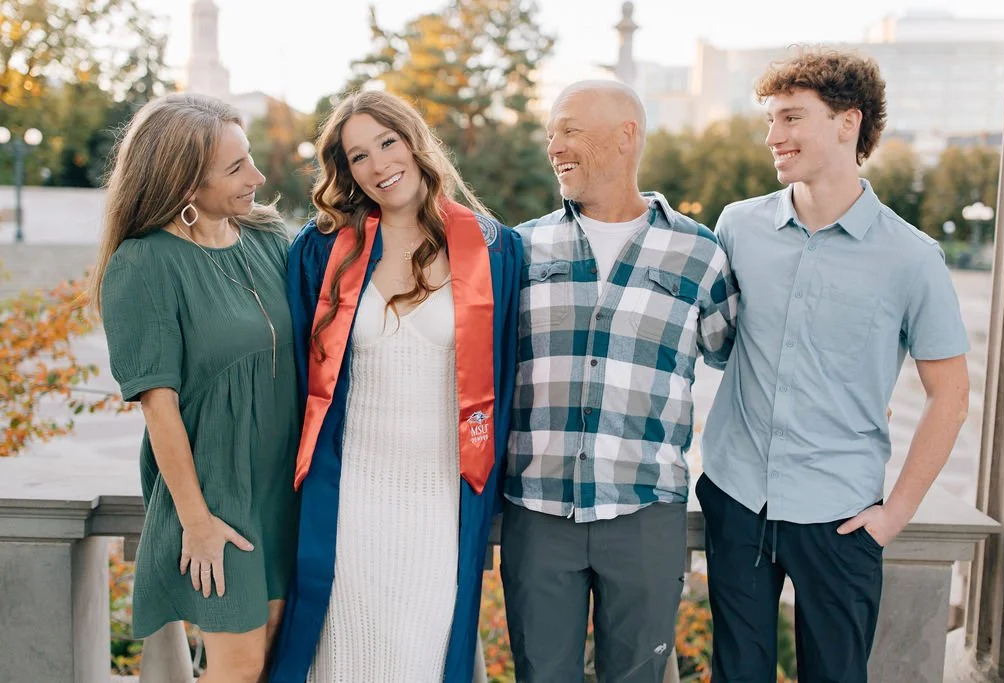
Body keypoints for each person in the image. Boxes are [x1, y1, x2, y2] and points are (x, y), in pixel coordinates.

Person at [699, 47, 971, 682]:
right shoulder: (738, 228)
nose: (774, 136)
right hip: (738, 499)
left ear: (848, 123)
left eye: (791, 118)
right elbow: (716, 344)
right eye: (770, 119)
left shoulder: (912, 257)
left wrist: (894, 514)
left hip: (840, 517)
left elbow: (951, 396)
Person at [268, 90, 521, 683]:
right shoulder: (324, 249)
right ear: (346, 171)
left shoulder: (492, 247)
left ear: (414, 142)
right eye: (359, 156)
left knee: (421, 658)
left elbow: (508, 376)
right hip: (350, 496)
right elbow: (295, 375)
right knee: (344, 659)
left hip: (440, 501)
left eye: (387, 142)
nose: (380, 165)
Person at [502, 79, 738, 682]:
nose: (554, 144)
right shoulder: (520, 248)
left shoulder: (701, 253)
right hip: (537, 511)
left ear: (627, 135)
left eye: (570, 128)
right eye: (551, 132)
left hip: (644, 512)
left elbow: (741, 361)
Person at [93, 93, 299, 682]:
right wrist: (198, 522)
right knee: (237, 670)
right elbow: (159, 411)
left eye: (250, 158)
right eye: (236, 169)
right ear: (185, 184)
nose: (257, 177)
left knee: (272, 666)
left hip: (286, 493)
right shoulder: (143, 265)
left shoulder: (267, 239)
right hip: (219, 500)